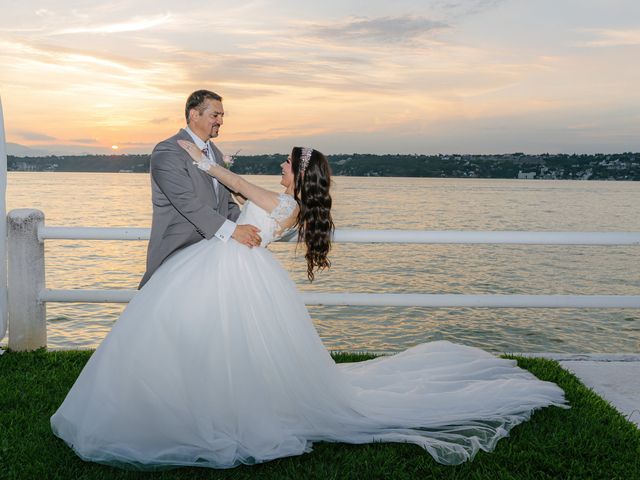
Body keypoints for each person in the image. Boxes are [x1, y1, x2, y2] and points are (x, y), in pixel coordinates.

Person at [50, 144, 567, 470]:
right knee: (220, 344)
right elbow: (233, 202)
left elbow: (229, 183)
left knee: (206, 338)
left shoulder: (281, 203)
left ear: (297, 174)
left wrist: (199, 157)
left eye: (286, 163)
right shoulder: (292, 207)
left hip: (228, 270)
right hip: (234, 266)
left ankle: (207, 409)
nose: (279, 165)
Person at [138, 89, 261, 288]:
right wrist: (233, 231)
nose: (221, 121)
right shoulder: (168, 151)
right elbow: (185, 202)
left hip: (213, 258)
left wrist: (250, 227)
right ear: (194, 114)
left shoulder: (215, 154)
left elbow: (226, 202)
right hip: (177, 254)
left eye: (222, 116)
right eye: (215, 115)